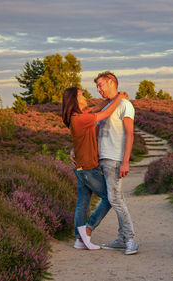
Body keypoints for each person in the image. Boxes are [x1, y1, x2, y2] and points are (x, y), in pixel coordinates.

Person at [79, 71, 138, 255]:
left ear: (111, 82)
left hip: (114, 158)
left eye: (100, 85)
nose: (98, 89)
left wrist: (125, 161)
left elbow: (130, 134)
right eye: (97, 86)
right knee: (112, 198)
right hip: (102, 159)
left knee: (115, 199)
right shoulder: (107, 107)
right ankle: (122, 238)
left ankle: (130, 240)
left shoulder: (125, 105)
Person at [61, 86, 126, 250]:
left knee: (82, 204)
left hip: (81, 169)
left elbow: (96, 108)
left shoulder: (80, 115)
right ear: (74, 100)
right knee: (109, 198)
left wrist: (112, 97)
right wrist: (118, 98)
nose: (84, 96)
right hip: (89, 169)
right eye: (81, 95)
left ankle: (79, 240)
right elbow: (105, 113)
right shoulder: (80, 119)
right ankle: (87, 231)